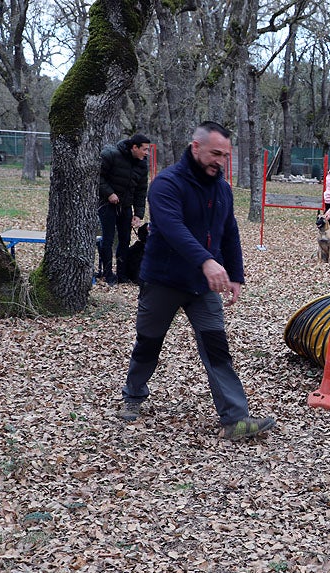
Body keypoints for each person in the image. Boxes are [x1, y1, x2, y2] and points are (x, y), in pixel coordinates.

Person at [118, 121, 276, 440]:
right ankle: (133, 394)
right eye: (215, 153)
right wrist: (206, 261)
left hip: (203, 287)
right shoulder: (166, 184)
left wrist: (235, 275)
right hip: (163, 281)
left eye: (225, 155)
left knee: (217, 347)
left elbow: (229, 233)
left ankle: (234, 419)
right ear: (195, 147)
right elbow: (173, 228)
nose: (220, 160)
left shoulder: (222, 189)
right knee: (149, 342)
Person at [98, 133, 150, 284]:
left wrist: (138, 214)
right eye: (144, 149)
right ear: (135, 147)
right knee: (107, 239)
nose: (146, 153)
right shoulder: (111, 155)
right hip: (107, 204)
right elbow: (98, 177)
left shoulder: (142, 164)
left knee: (125, 239)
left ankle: (122, 274)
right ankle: (108, 274)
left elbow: (141, 191)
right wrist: (109, 193)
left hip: (125, 207)